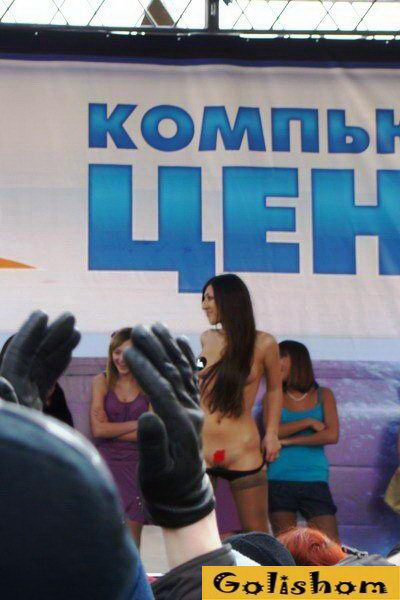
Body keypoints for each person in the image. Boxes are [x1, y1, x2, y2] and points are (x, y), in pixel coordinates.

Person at [199, 273, 282, 532]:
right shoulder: (207, 338)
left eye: (209, 298)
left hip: (242, 448)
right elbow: (198, 368)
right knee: (198, 531)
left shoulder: (264, 343)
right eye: (203, 298)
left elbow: (275, 389)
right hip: (203, 447)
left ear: (229, 300)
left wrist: (272, 434)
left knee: (257, 534)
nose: (204, 305)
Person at [268, 340, 340, 541]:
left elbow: (331, 435)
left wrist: (289, 441)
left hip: (314, 477)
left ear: (297, 360)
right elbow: (272, 433)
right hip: (278, 477)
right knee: (285, 546)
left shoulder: (324, 395)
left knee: (329, 545)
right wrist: (307, 422)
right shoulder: (272, 396)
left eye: (280, 356)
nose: (275, 362)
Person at [90, 328, 150, 547]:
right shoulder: (101, 381)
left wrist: (112, 428)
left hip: (137, 466)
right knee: (105, 539)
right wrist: (138, 423)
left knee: (132, 543)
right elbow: (98, 430)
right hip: (105, 465)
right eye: (117, 352)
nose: (121, 359)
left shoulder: (149, 384)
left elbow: (151, 432)